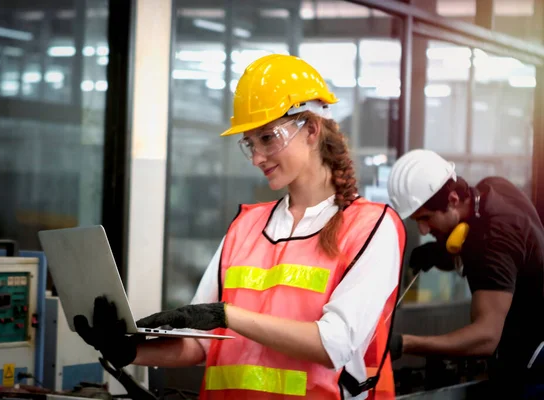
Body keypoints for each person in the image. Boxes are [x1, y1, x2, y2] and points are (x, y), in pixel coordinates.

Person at [74, 54, 406, 399]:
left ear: (310, 129)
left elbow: (333, 344)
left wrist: (226, 315)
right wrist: (130, 351)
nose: (258, 157)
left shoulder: (372, 227)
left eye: (267, 137)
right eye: (250, 143)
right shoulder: (246, 225)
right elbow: (201, 345)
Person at [387, 148, 544, 398]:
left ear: (453, 200)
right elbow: (510, 258)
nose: (424, 230)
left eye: (426, 218)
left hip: (534, 364)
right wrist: (446, 253)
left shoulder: (493, 241)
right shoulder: (492, 188)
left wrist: (404, 343)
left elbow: (485, 337)